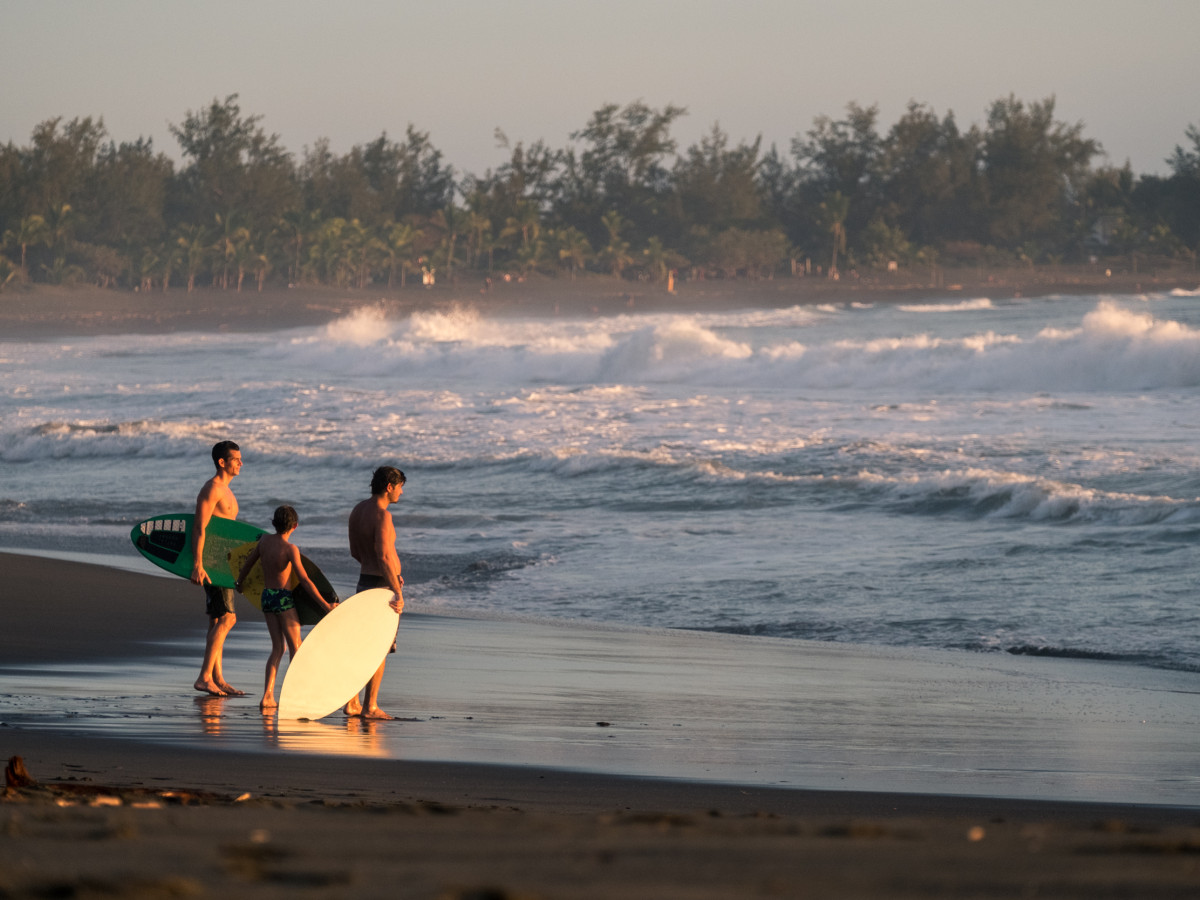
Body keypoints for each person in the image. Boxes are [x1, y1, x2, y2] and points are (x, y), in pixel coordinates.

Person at [235, 505, 333, 711]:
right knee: (296, 648)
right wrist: (324, 605)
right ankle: (296, 695)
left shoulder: (264, 542)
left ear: (273, 522)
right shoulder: (290, 549)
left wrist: (240, 582)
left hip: (267, 597)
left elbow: (248, 564)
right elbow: (305, 580)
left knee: (278, 648)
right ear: (295, 526)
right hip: (283, 598)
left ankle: (267, 696)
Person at [344, 466, 407, 719]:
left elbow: (355, 552)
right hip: (382, 587)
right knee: (379, 648)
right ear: (389, 486)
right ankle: (370, 706)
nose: (401, 493)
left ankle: (352, 702)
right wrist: (396, 589)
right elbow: (383, 556)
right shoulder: (382, 516)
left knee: (362, 646)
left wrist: (386, 572)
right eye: (400, 487)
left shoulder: (358, 510)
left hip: (364, 582)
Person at [190, 440, 244, 697]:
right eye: (235, 459)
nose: (240, 463)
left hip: (224, 562)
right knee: (227, 618)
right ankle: (204, 677)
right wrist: (198, 564)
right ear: (222, 462)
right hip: (213, 563)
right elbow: (199, 527)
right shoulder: (212, 489)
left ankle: (216, 677)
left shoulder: (227, 490)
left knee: (216, 619)